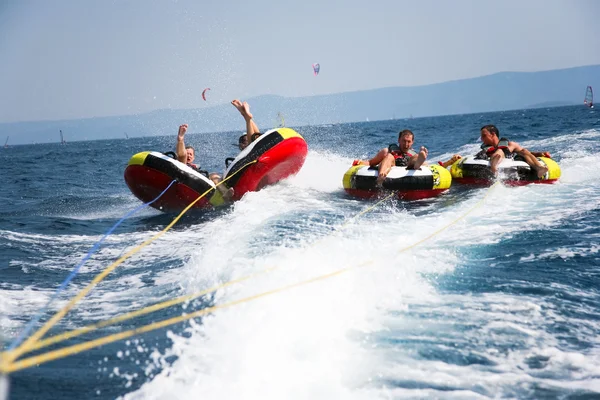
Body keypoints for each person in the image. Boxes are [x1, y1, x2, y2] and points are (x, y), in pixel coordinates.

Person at [175, 123, 234, 200]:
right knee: (182, 161)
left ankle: (225, 193)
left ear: (193, 158)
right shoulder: (181, 162)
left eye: (190, 154)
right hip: (184, 178)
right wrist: (180, 139)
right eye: (187, 154)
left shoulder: (196, 168)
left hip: (198, 184)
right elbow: (182, 155)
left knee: (214, 175)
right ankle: (180, 139)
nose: (188, 156)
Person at [353, 129, 428, 185]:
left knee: (416, 157)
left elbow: (426, 166)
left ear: (412, 142)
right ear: (399, 140)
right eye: (404, 141)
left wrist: (438, 167)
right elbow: (370, 162)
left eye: (409, 142)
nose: (406, 144)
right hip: (393, 165)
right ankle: (381, 176)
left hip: (409, 166)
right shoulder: (387, 151)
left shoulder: (412, 153)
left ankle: (417, 164)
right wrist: (360, 162)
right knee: (389, 156)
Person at [476, 124, 549, 178]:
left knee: (522, 150)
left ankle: (539, 168)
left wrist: (538, 154)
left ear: (493, 134)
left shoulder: (509, 145)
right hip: (495, 160)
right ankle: (494, 166)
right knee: (499, 152)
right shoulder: (485, 149)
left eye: (484, 136)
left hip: (510, 164)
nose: (482, 139)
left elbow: (525, 153)